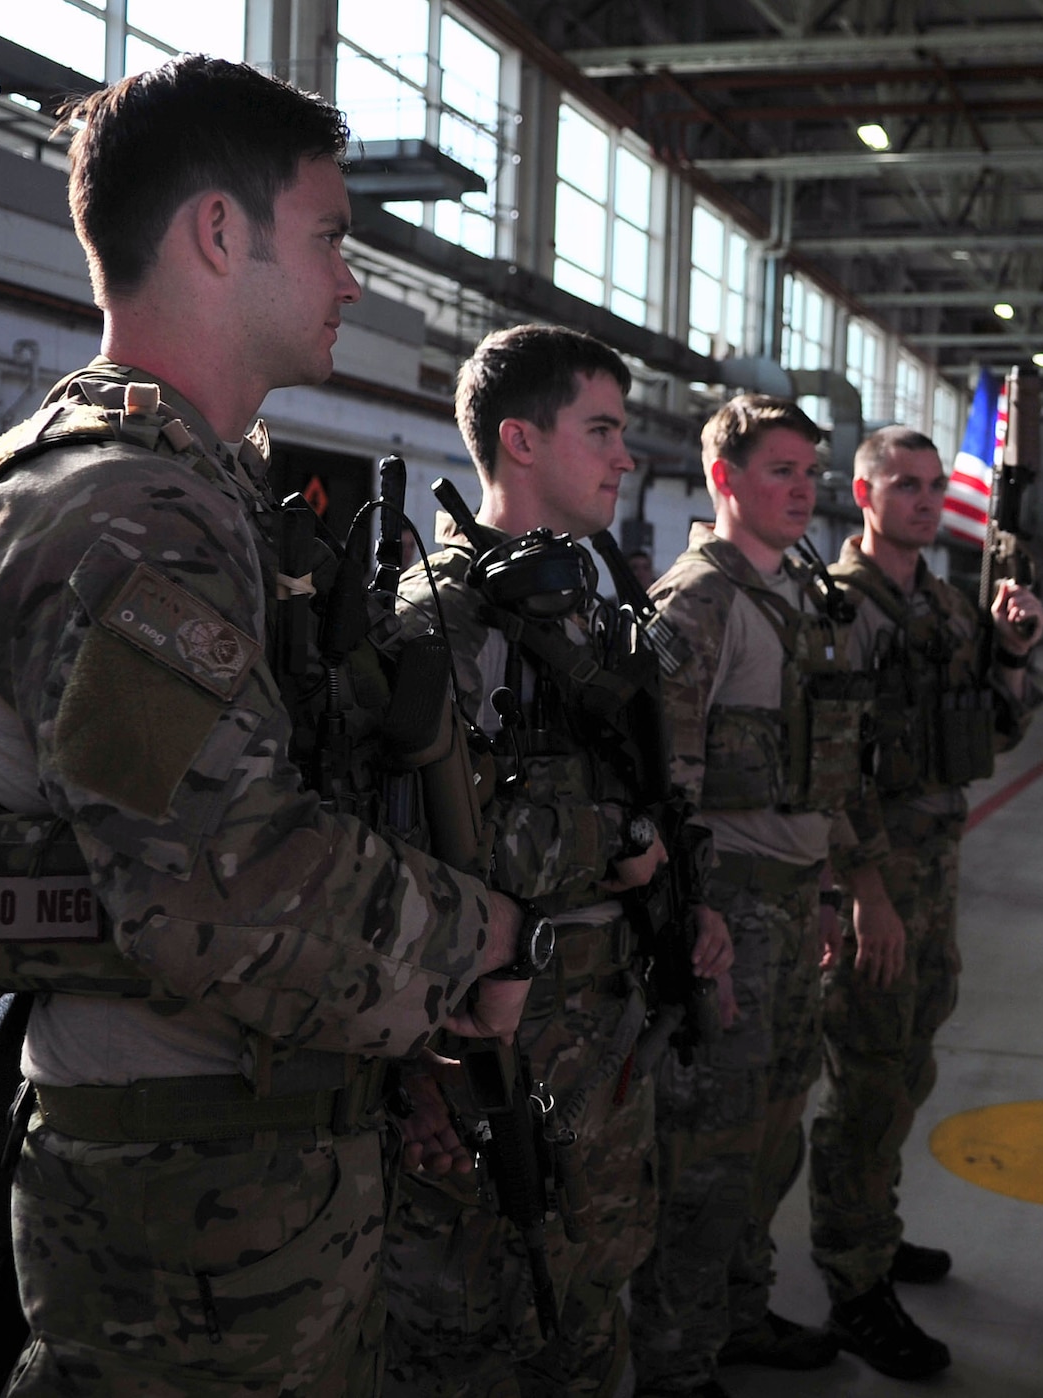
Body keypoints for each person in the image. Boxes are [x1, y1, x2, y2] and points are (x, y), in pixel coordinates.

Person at [0, 57, 538, 1394]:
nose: (350, 279)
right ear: (216, 234)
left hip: (249, 1169)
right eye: (329, 238)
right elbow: (226, 887)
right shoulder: (117, 516)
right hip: (186, 1220)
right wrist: (481, 934)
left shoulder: (204, 499)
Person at [381, 324, 729, 1398]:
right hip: (489, 1053)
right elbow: (394, 854)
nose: (623, 456)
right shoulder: (434, 621)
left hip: (600, 1034)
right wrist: (411, 1081)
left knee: (594, 1293)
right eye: (602, 430)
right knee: (478, 1321)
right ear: (520, 441)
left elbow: (635, 790)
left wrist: (674, 890)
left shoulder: (590, 605)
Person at [628, 395, 886, 1398]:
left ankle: (736, 1311)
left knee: (770, 1131)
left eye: (809, 473)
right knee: (704, 1150)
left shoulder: (794, 593)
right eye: (779, 470)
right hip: (725, 909)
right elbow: (662, 791)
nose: (800, 490)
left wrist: (825, 889)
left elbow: (812, 771)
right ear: (724, 479)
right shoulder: (695, 604)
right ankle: (673, 1360)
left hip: (787, 898)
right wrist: (695, 928)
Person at [808, 425, 1043, 1377]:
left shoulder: (949, 606)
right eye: (903, 484)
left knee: (906, 1066)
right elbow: (826, 766)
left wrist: (1015, 650)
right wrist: (861, 892)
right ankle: (853, 1281)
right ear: (864, 496)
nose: (921, 498)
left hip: (934, 870)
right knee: (864, 1077)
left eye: (931, 484)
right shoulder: (837, 608)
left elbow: (994, 726)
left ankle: (875, 1225)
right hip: (874, 880)